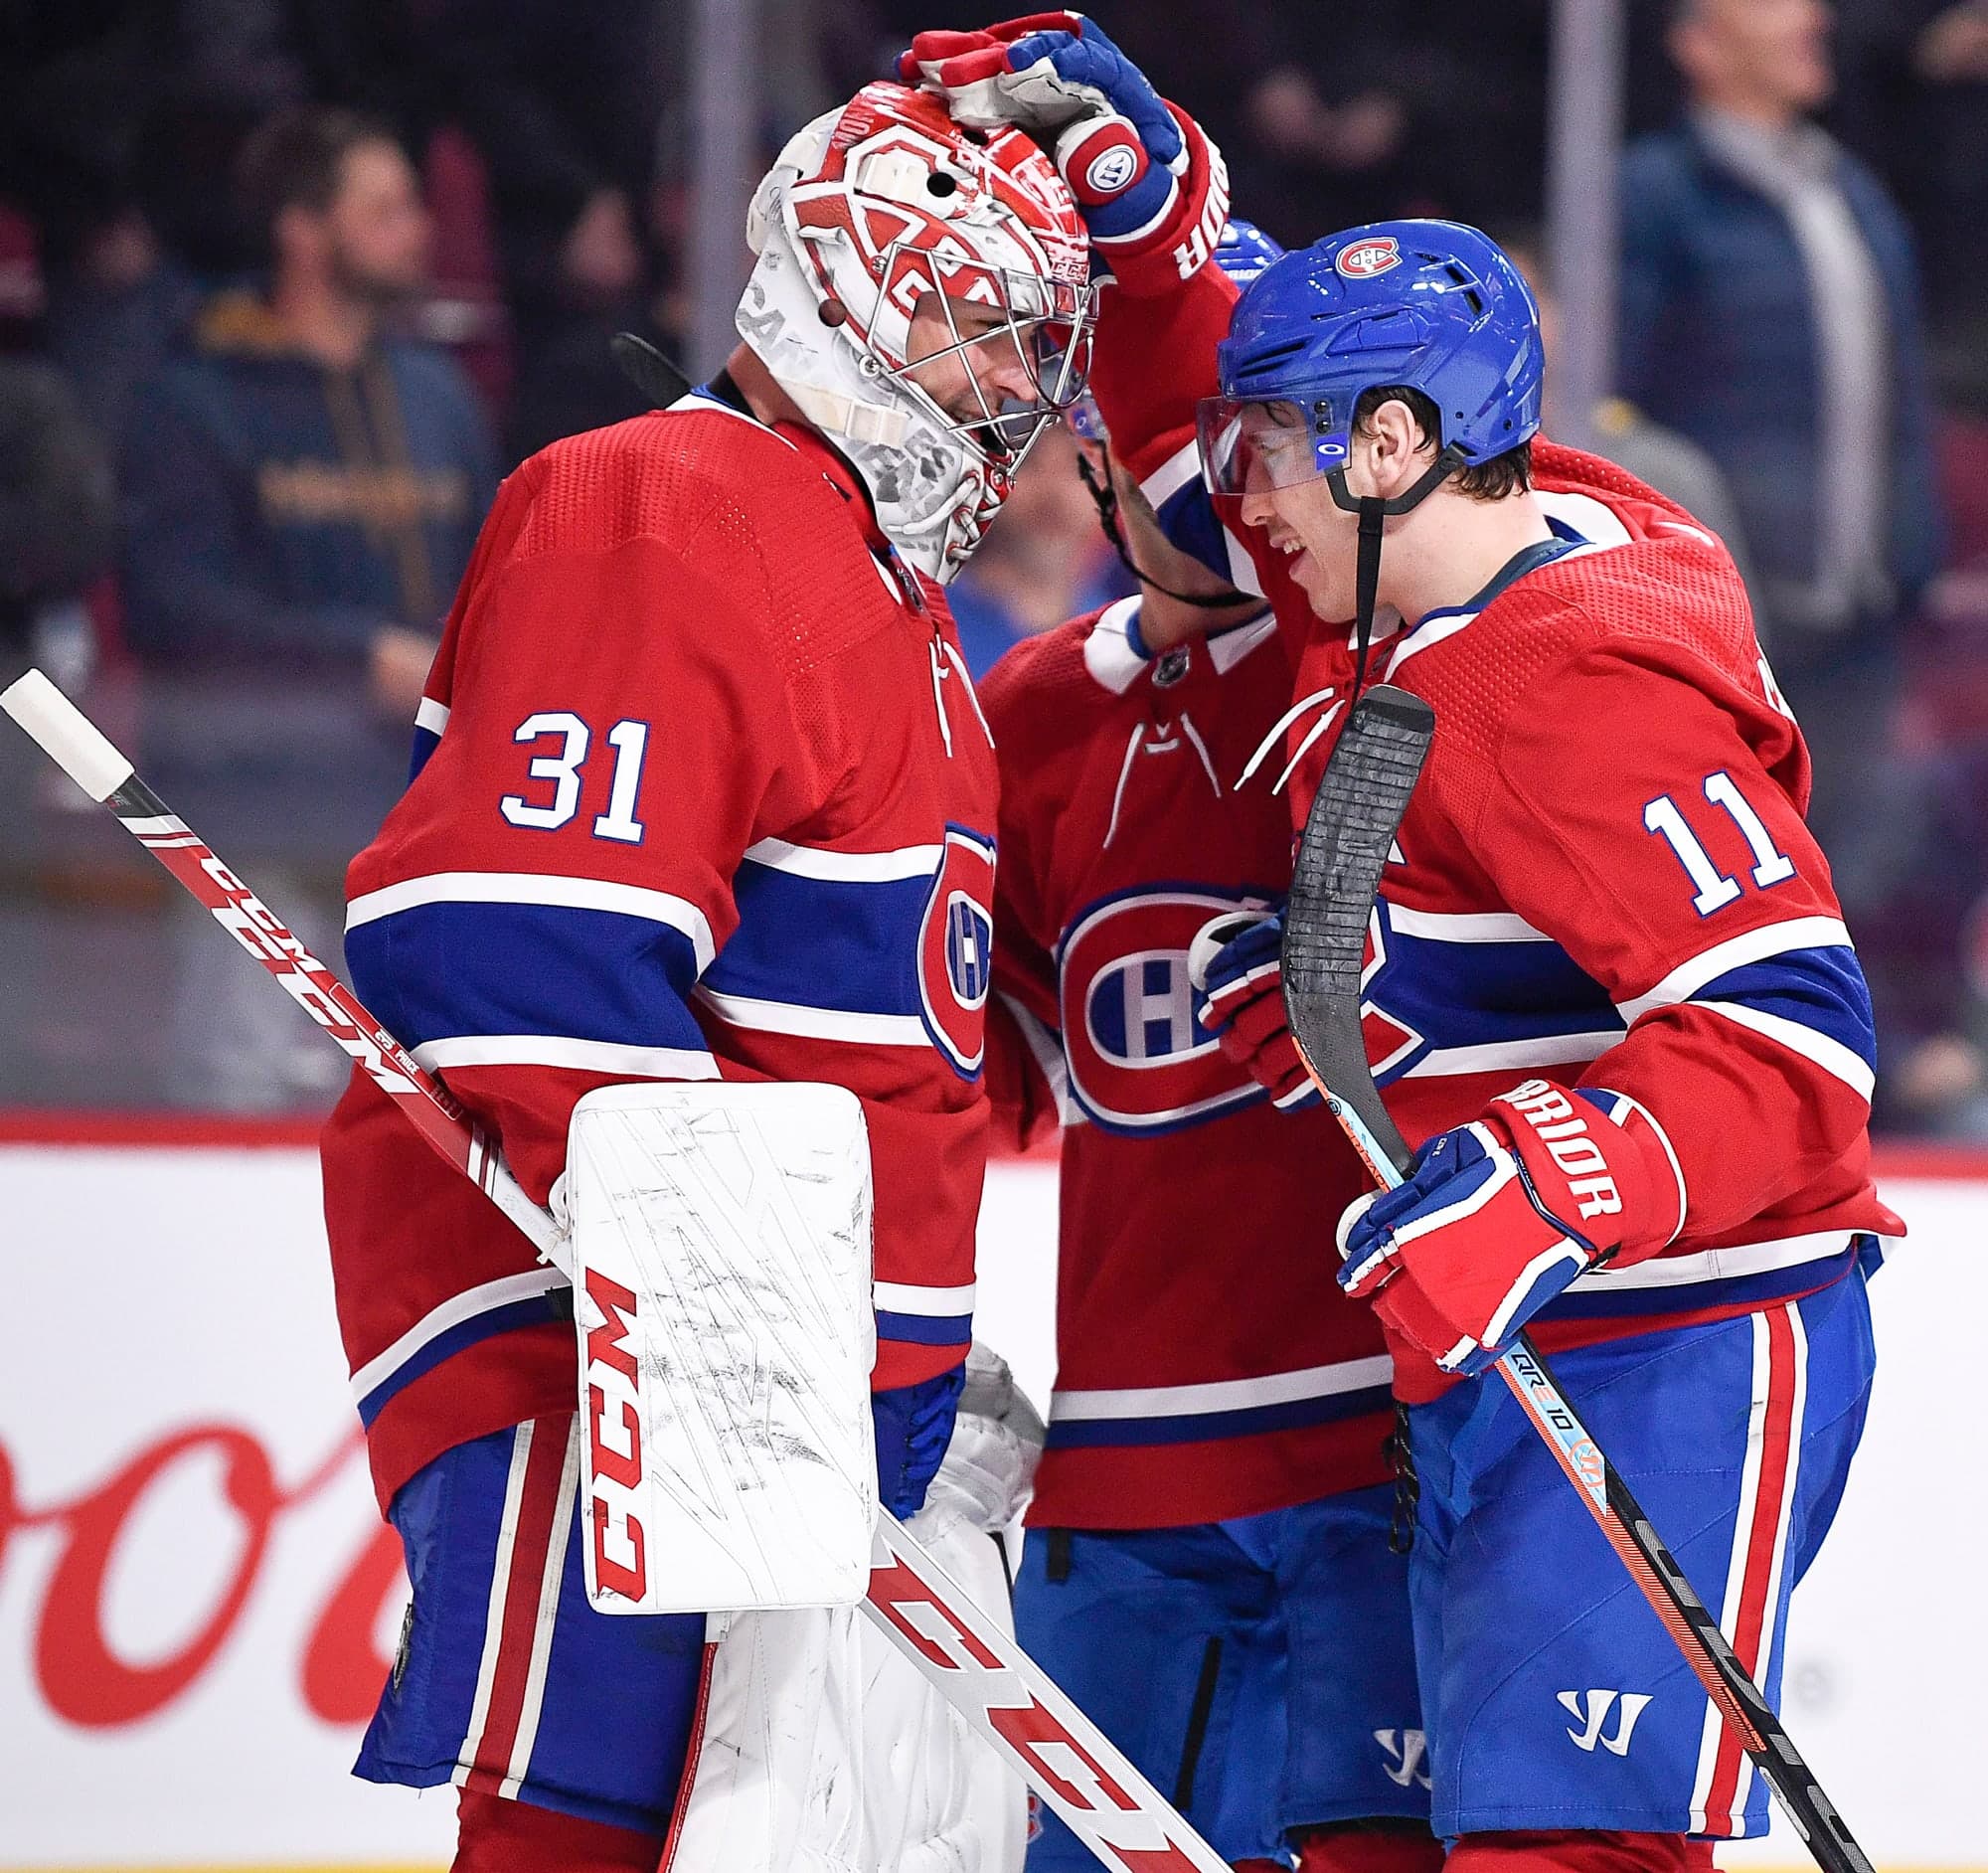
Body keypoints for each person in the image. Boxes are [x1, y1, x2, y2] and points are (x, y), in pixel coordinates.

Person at [903, 17, 1897, 1872]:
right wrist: (1151, 214)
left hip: (1679, 1332)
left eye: (1271, 452)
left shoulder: (1564, 674)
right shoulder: (1382, 613)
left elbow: (1794, 1032)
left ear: (1391, 444)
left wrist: (1547, 1176)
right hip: (1518, 1350)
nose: (1235, 498)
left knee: (1565, 1856)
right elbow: (1204, 430)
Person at [317, 78, 1093, 1868]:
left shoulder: (889, 594)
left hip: (796, 1391)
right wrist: (749, 1341)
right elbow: (513, 952)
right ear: (850, 289)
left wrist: (900, 1349)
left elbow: (884, 1026)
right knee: (593, 1829)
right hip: (622, 1363)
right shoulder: (664, 505)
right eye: (980, 329)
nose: (1011, 389)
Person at [980, 359, 1439, 1870]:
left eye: (1245, 450)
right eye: (1164, 451)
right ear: (1097, 466)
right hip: (1124, 1457)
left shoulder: (1360, 664)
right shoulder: (1027, 711)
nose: (1216, 492)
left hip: (1375, 1440)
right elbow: (981, 1054)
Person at [118, 103, 498, 1107]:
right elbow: (175, 611)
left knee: (408, 1109)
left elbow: (492, 582)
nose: (418, 229)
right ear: (302, 229)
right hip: (256, 817)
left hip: (414, 824)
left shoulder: (438, 396)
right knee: (235, 1092)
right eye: (384, 210)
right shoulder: (193, 399)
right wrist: (361, 657)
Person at [1617, 0, 1944, 889]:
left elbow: (1896, 388)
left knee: (1862, 872)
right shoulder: (1655, 194)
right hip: (1732, 617)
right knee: (1742, 872)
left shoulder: (1848, 187)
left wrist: (1912, 551)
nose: (1809, 17)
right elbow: (1615, 404)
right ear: (1698, 43)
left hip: (1863, 607)